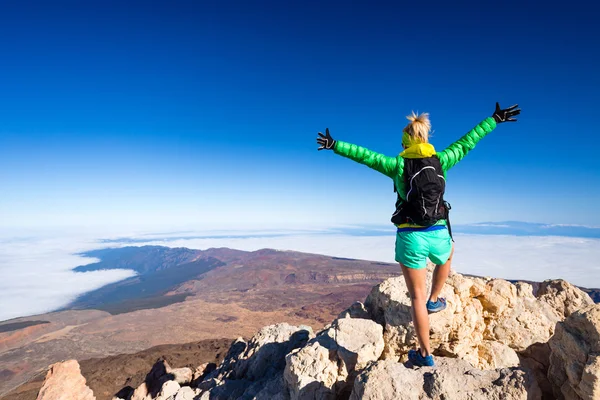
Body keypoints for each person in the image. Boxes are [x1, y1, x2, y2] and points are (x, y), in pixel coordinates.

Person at [316, 102, 521, 367]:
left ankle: (425, 354)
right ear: (426, 138)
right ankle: (435, 299)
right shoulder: (442, 160)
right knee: (448, 254)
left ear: (404, 143)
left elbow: (364, 155)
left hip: (411, 236)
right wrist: (494, 119)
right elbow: (468, 141)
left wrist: (335, 145)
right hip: (438, 232)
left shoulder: (397, 165)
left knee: (416, 299)